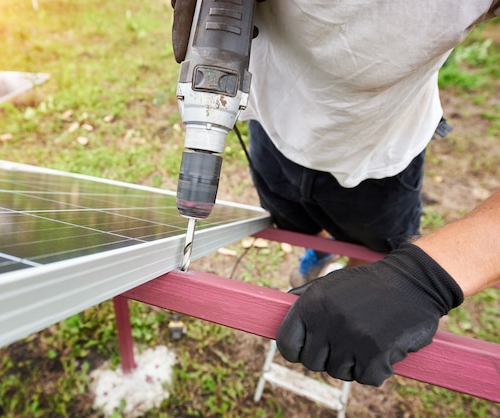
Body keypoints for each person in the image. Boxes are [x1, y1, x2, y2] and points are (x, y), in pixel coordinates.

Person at [171, 1, 500, 385]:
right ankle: (319, 251)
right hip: (272, 129)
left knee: (372, 252)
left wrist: (422, 278)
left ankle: (351, 276)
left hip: (381, 152)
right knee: (296, 222)